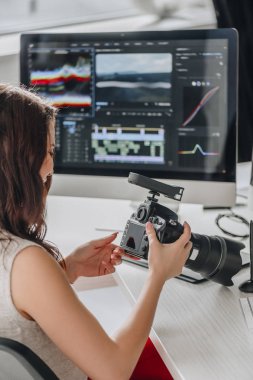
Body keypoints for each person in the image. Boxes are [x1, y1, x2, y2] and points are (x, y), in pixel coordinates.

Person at [0, 83, 192, 380]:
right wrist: (157, 276)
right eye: (49, 150)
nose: (51, 163)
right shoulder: (25, 261)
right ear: (20, 161)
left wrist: (69, 268)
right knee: (189, 355)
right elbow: (114, 371)